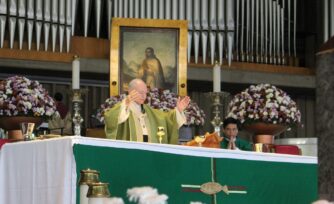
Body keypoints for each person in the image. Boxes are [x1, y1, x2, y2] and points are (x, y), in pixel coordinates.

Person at [104, 79, 190, 144]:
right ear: (131, 91)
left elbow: (167, 119)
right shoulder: (123, 108)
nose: (144, 96)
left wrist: (178, 110)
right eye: (141, 93)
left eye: (146, 93)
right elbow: (110, 118)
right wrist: (125, 104)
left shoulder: (149, 111)